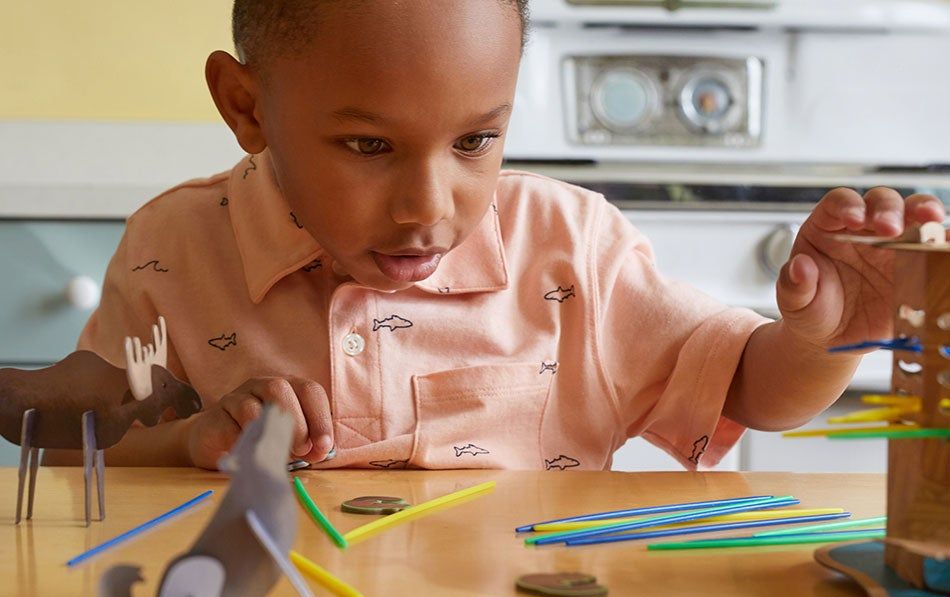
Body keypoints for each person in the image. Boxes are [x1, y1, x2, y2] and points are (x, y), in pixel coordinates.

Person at [44, 0, 946, 471]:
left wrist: (822, 340)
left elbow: (748, 386)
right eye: (368, 145)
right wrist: (195, 437)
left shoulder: (571, 242)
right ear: (247, 107)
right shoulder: (170, 245)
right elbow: (88, 445)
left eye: (476, 139)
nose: (427, 207)